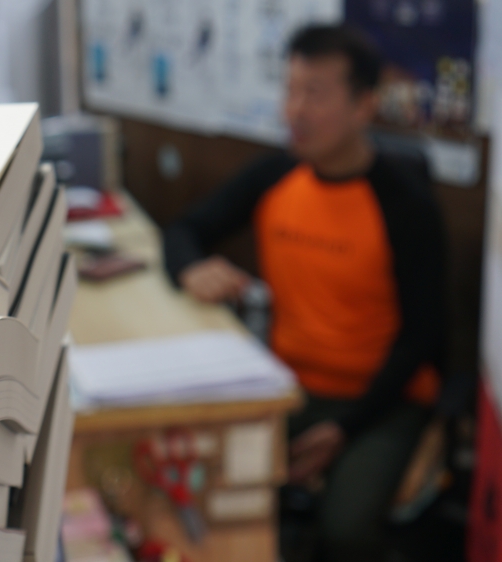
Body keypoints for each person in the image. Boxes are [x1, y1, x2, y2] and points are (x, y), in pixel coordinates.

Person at [161, 25, 446, 561]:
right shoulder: (276, 175)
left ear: (364, 105)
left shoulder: (405, 203)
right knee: (207, 487)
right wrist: (191, 268)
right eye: (290, 90)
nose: (295, 110)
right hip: (286, 388)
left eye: (315, 93)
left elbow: (425, 336)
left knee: (345, 530)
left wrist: (344, 428)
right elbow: (183, 231)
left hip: (381, 401)